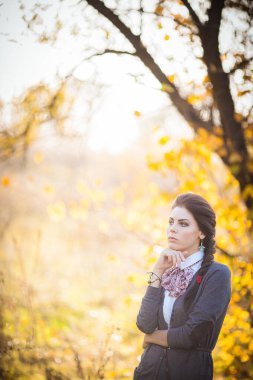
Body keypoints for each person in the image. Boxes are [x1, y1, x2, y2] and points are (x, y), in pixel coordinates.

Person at [133, 192, 231, 380]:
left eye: (183, 224)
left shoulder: (217, 274)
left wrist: (153, 338)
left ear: (201, 232)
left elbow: (191, 334)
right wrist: (157, 272)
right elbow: (144, 324)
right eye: (171, 222)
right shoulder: (166, 269)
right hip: (149, 372)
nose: (172, 229)